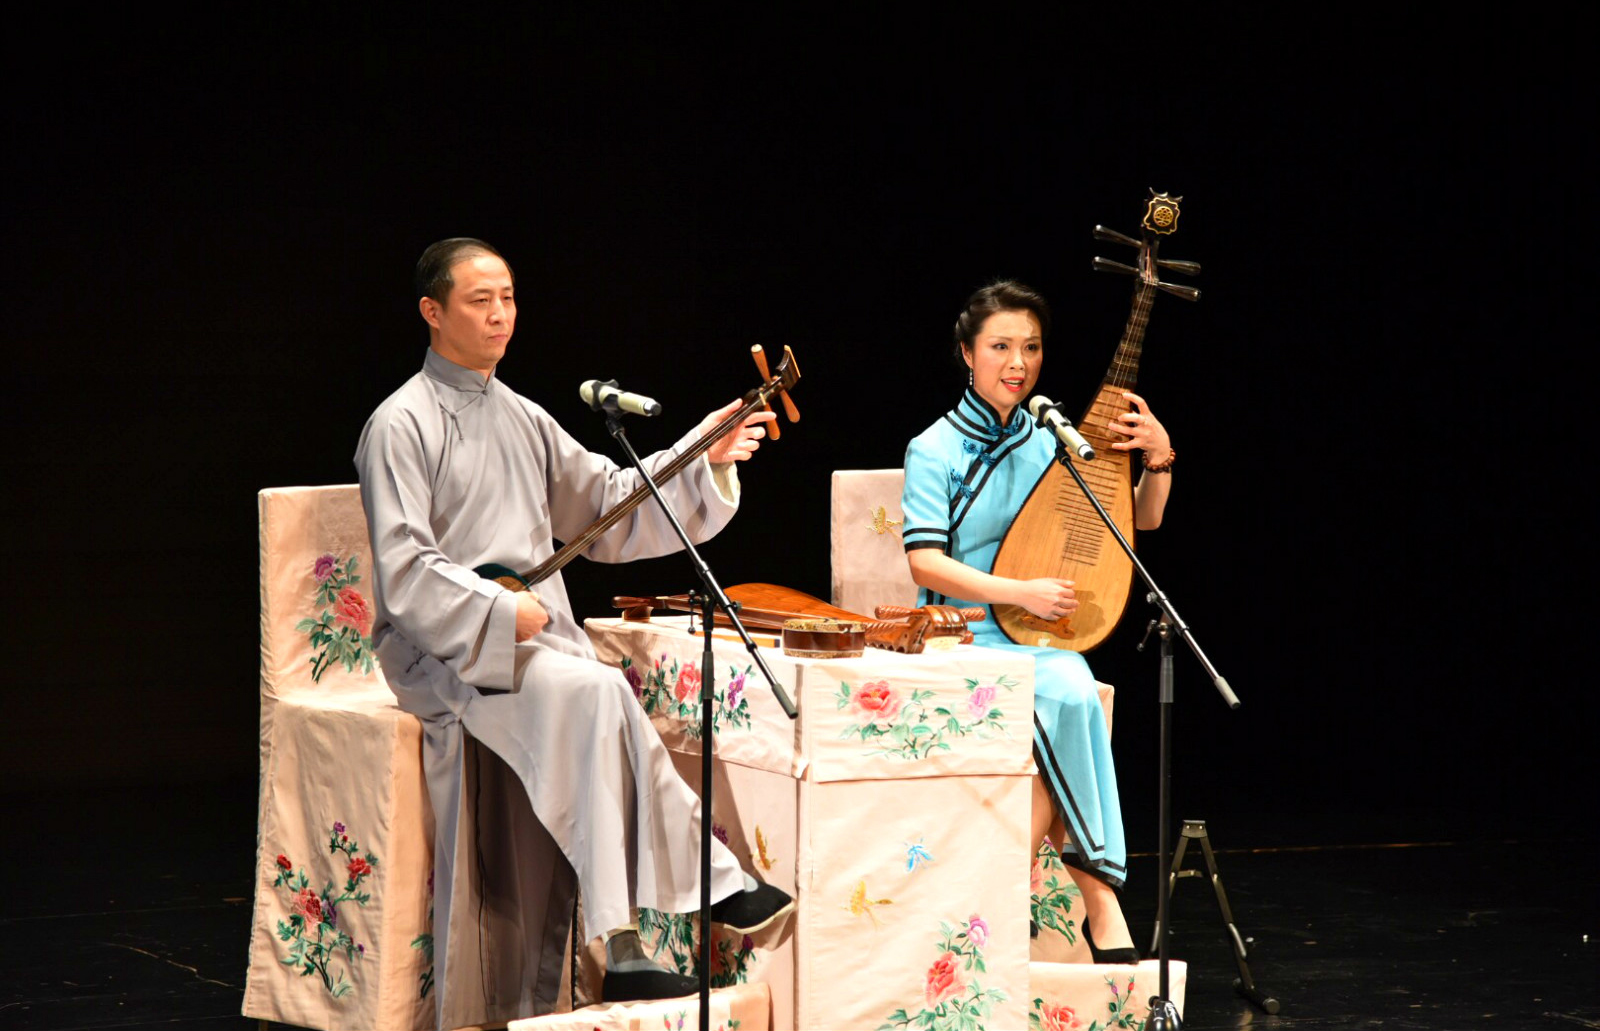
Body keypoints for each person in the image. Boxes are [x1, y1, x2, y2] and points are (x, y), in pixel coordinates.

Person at [354, 238, 790, 1020]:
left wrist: (704, 453)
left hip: (529, 636)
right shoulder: (399, 424)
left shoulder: (521, 415)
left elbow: (609, 504)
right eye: (480, 299)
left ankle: (631, 945)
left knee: (601, 691)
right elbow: (406, 565)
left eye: (508, 297)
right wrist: (495, 610)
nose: (500, 314)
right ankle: (679, 909)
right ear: (432, 311)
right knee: (595, 691)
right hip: (442, 646)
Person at [900, 280, 1174, 963]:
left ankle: (997, 897)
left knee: (1068, 689)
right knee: (1069, 690)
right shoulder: (933, 448)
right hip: (958, 634)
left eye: (1031, 347)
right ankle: (1101, 904)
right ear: (967, 353)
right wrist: (1018, 588)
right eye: (1000, 347)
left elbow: (1139, 521)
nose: (1017, 363)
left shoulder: (1059, 442)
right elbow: (925, 561)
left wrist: (1160, 456)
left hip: (1034, 635)